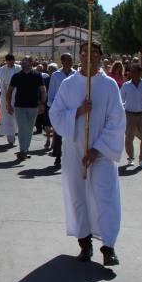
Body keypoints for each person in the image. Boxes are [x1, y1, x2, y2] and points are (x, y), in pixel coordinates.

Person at [49, 41, 125, 266]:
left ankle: (108, 246)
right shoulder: (69, 84)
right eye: (84, 53)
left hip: (100, 152)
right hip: (75, 151)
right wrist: (79, 111)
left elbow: (117, 121)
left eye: (93, 54)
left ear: (101, 56)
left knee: (105, 197)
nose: (88, 58)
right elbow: (56, 114)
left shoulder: (109, 85)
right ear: (79, 56)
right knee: (78, 196)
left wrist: (97, 149)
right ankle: (85, 243)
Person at [6, 56, 47, 161]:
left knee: (29, 129)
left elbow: (43, 90)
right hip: (19, 106)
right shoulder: (16, 76)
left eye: (26, 61)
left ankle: (25, 149)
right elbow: (9, 91)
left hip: (33, 106)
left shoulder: (37, 76)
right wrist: (8, 104)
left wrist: (42, 103)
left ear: (31, 63)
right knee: (22, 128)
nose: (24, 63)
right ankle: (22, 150)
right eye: (23, 62)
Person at [121, 64, 142, 168]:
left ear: (140, 73)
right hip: (129, 114)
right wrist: (122, 111)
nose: (132, 74)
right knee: (129, 138)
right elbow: (120, 99)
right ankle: (130, 158)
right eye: (131, 72)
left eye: (135, 72)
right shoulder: (126, 85)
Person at [48, 53, 76, 167]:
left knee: (72, 133)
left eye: (71, 60)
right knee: (58, 132)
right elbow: (52, 92)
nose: (70, 62)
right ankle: (58, 155)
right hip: (60, 107)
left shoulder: (76, 74)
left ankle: (71, 156)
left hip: (73, 107)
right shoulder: (56, 75)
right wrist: (51, 106)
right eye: (68, 60)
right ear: (62, 61)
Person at [0, 54, 22, 145]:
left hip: (18, 93)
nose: (10, 64)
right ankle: (10, 137)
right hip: (5, 94)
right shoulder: (2, 69)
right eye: (8, 62)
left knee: (18, 115)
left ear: (14, 60)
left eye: (11, 62)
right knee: (7, 116)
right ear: (6, 61)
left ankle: (19, 134)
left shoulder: (19, 68)